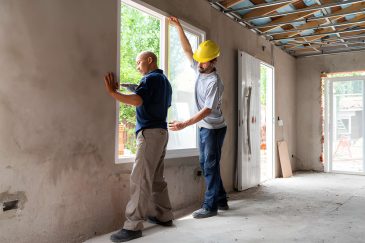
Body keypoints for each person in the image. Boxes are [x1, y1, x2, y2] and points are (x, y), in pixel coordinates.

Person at [104, 51, 174, 242]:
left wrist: (113, 93)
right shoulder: (164, 81)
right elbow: (151, 101)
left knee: (140, 178)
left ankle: (133, 226)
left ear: (149, 60)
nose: (137, 66)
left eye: (139, 62)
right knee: (157, 178)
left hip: (150, 133)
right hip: (161, 132)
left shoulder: (149, 79)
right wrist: (132, 89)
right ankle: (164, 215)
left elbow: (138, 100)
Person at [168, 17, 228, 219]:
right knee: (205, 164)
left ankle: (210, 206)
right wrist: (178, 27)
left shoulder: (214, 82)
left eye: (204, 61)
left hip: (214, 128)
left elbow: (206, 110)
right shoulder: (200, 68)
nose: (200, 64)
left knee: (209, 166)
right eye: (200, 60)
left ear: (213, 61)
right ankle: (221, 198)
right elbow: (186, 50)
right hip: (204, 127)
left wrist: (184, 123)